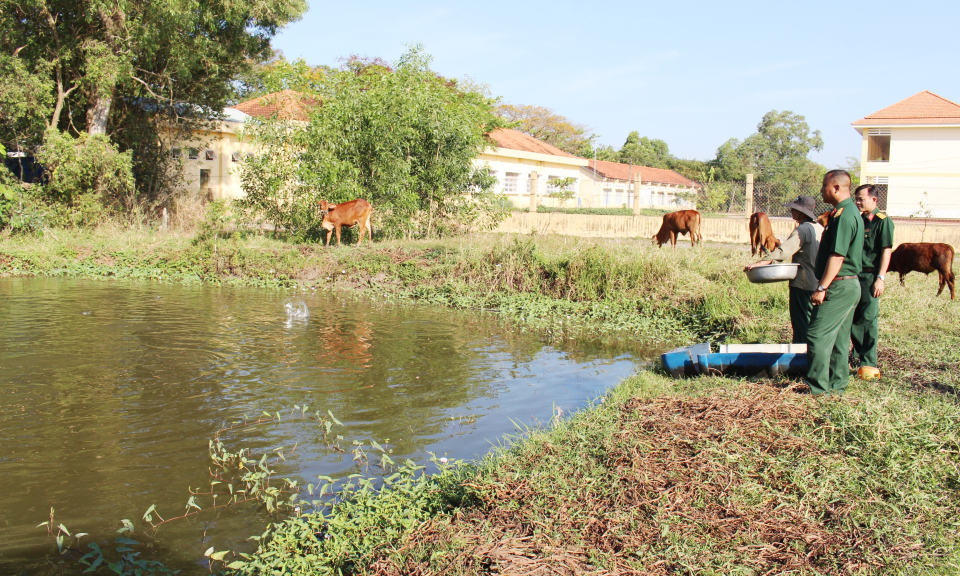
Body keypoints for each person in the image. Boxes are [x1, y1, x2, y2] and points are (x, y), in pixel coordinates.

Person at [803, 170, 864, 396]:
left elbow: (837, 257)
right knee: (839, 338)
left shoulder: (844, 216)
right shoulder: (845, 212)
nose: (821, 190)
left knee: (817, 335)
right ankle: (837, 386)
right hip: (848, 285)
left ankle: (817, 389)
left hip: (838, 285)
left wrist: (822, 287)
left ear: (836, 188)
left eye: (824, 185)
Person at [745, 195, 823, 343]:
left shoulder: (803, 230)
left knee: (801, 325)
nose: (792, 211)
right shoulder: (819, 228)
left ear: (801, 212)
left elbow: (783, 251)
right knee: (815, 325)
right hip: (819, 284)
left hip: (803, 284)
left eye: (794, 209)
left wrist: (763, 262)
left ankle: (800, 358)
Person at [851, 184, 895, 378]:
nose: (858, 202)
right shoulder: (858, 220)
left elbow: (886, 250)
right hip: (854, 275)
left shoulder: (882, 222)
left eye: (861, 199)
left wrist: (880, 278)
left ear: (874, 200)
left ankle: (869, 361)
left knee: (868, 319)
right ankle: (857, 353)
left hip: (870, 276)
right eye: (857, 199)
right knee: (854, 318)